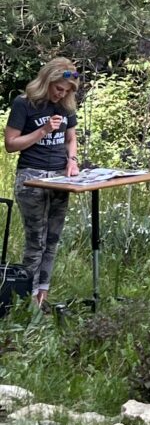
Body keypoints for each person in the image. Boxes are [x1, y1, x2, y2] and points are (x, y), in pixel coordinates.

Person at [4, 58, 80, 306]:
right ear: (47, 81)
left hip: (59, 178)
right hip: (32, 177)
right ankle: (26, 298)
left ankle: (42, 295)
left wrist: (72, 161)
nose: (61, 94)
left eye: (67, 91)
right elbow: (10, 144)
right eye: (59, 88)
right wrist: (43, 131)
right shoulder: (24, 104)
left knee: (52, 240)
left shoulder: (66, 106)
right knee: (36, 240)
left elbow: (71, 139)